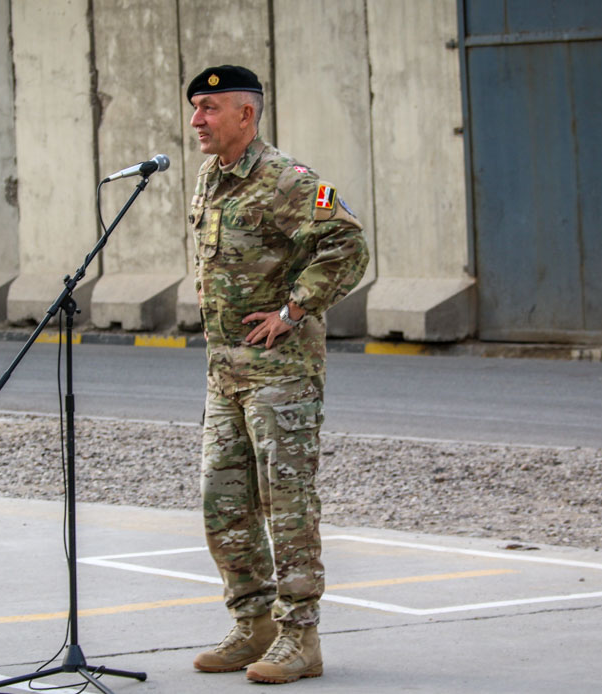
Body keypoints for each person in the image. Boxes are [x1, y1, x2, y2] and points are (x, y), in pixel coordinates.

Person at [186, 65, 369, 685]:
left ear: (247, 114)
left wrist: (294, 310)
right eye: (194, 108)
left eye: (210, 108)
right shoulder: (210, 179)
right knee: (222, 504)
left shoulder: (291, 181)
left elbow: (347, 243)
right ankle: (254, 623)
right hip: (224, 376)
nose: (197, 121)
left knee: (286, 507)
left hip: (280, 376)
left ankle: (301, 638)